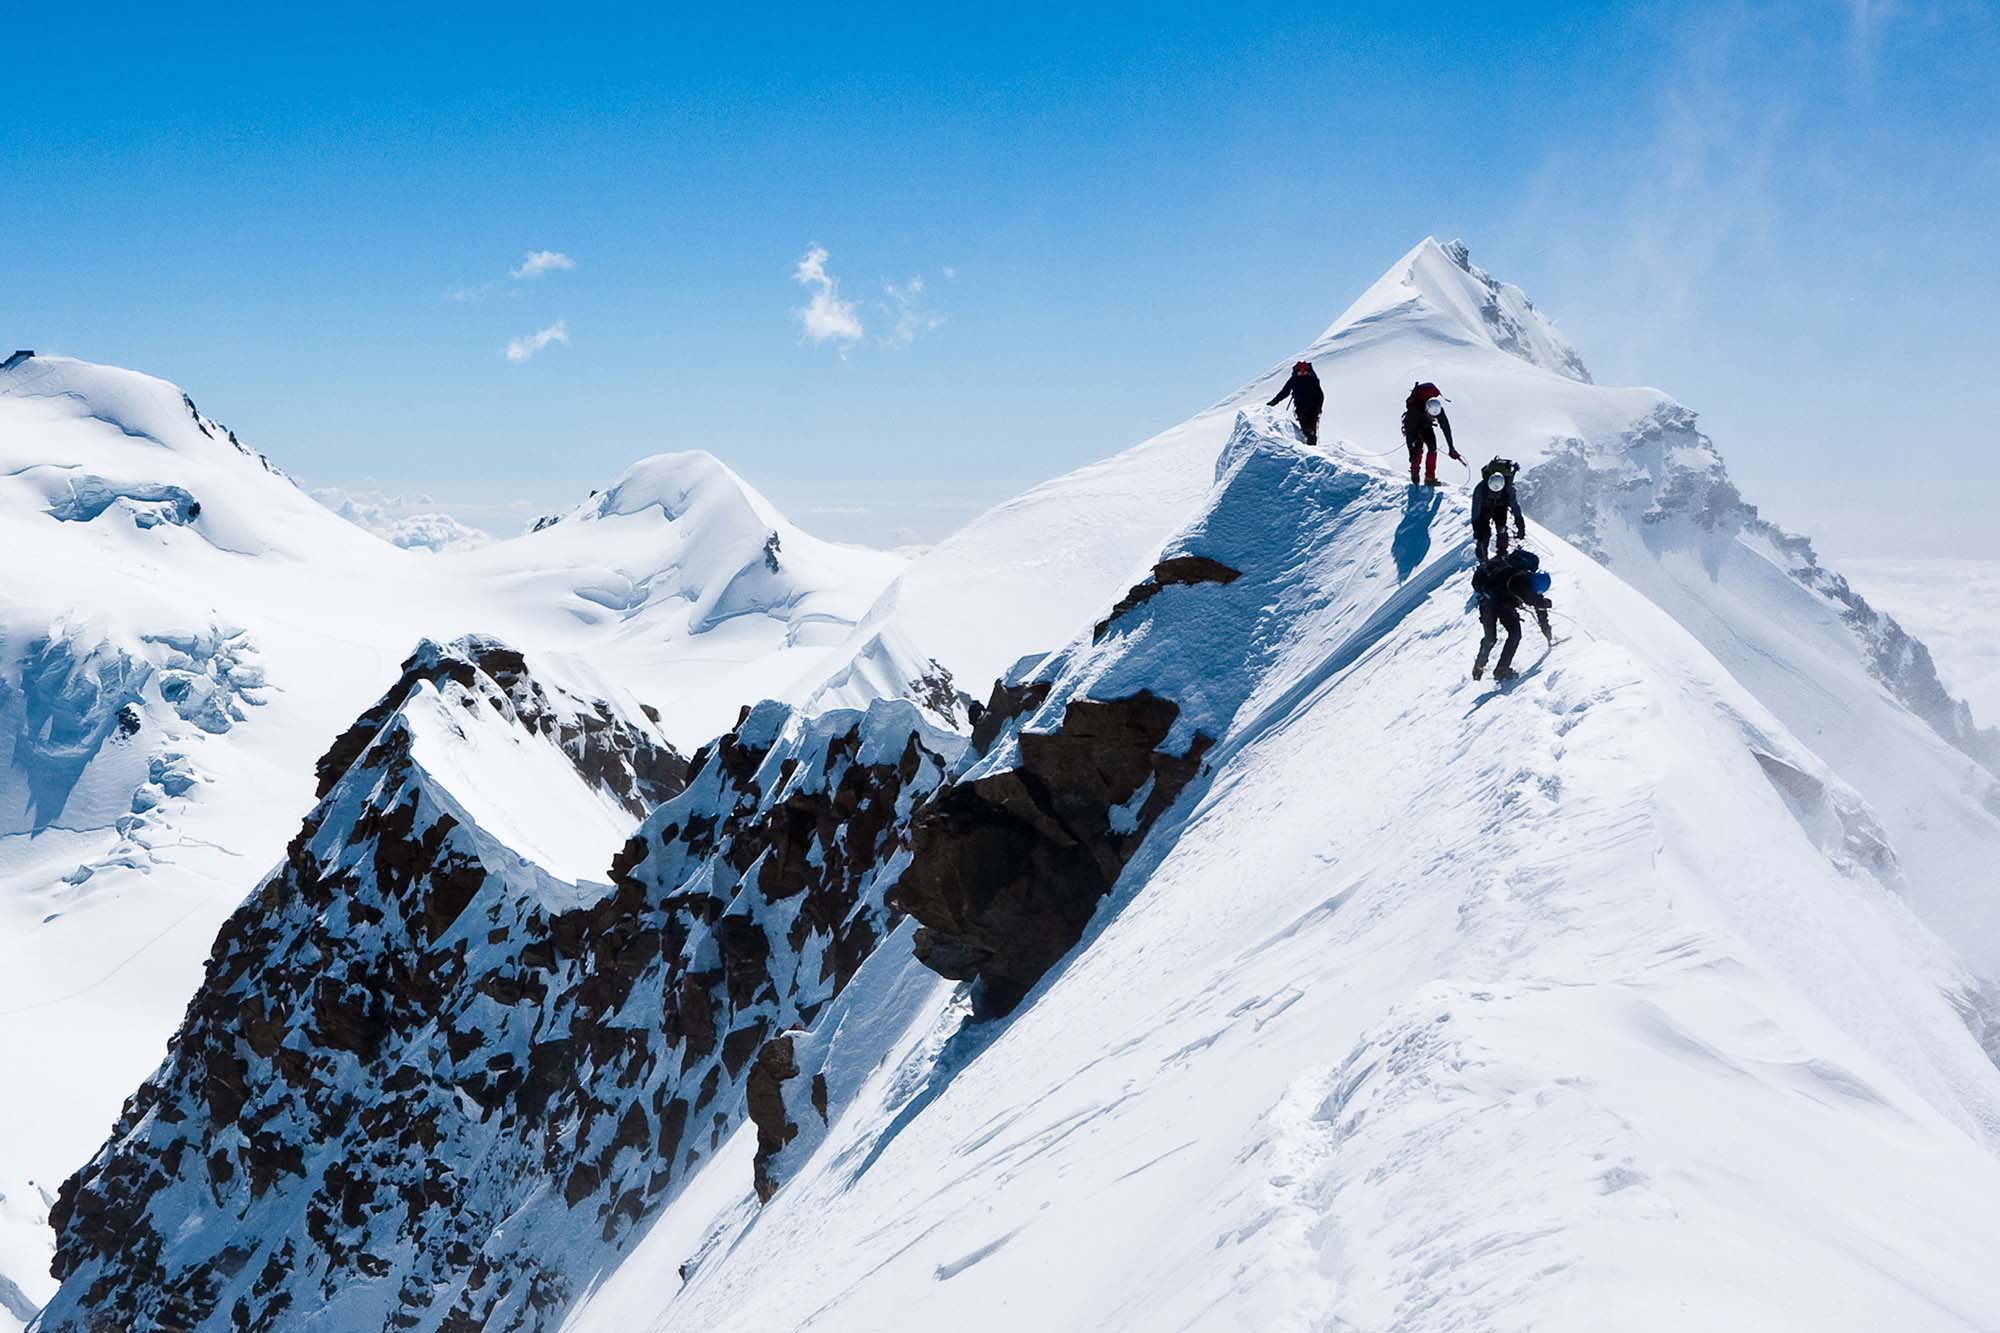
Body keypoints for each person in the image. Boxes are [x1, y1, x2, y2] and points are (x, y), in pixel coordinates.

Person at [1471, 547, 1553, 682]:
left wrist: (1547, 632)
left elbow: (1535, 602)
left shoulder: (1524, 579)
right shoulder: (1520, 581)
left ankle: (1483, 668)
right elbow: (1532, 600)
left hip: (1492, 605)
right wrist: (1544, 605)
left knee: (1491, 638)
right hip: (1496, 605)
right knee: (1512, 635)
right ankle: (1495, 670)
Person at [1402, 381, 1462, 486]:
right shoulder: (1414, 412)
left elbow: (1446, 428)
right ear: (1427, 409)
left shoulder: (1438, 409)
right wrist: (1411, 454)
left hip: (1425, 425)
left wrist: (1451, 448)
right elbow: (1410, 437)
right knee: (1417, 449)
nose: (1434, 418)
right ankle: (1415, 473)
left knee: (1432, 448)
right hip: (1413, 425)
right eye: (1431, 416)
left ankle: (1429, 478)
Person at [1471, 457, 1527, 561]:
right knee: (1484, 532)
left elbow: (1515, 507)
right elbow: (1475, 511)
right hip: (1487, 507)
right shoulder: (1480, 489)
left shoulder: (1508, 489)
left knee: (1501, 528)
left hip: (1498, 507)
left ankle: (1501, 552)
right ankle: (1484, 555)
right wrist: (1476, 529)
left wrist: (1520, 525)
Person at [1268, 361, 1325, 447]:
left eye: (1304, 371)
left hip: (1313, 410)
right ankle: (1311, 449)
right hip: (1301, 409)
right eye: (1300, 371)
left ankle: (1312, 449)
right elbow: (1284, 392)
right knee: (1307, 431)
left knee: (1309, 431)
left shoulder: (1312, 380)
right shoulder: (1294, 380)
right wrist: (1273, 402)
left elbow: (1320, 395)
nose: (1302, 373)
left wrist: (1319, 407)